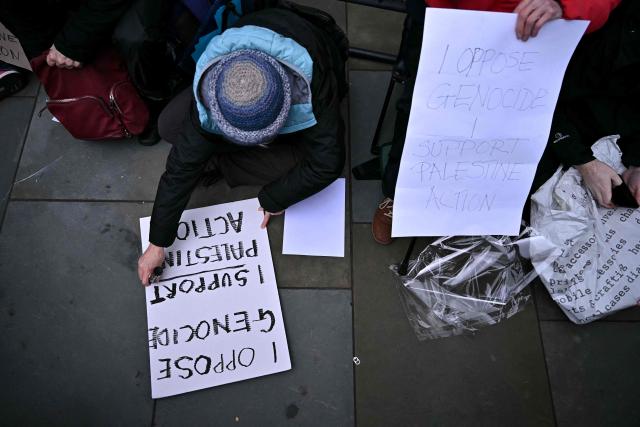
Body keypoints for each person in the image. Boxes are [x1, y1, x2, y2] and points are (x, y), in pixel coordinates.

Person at [371, 0, 624, 245]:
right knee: (423, 108)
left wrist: (568, 4)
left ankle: (489, 208)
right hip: (451, 13)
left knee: (518, 120)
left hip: (545, 29)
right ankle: (400, 196)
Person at [137, 5, 348, 285]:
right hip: (240, 87)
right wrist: (157, 242)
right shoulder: (212, 88)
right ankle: (217, 158)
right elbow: (179, 169)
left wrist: (274, 199)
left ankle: (218, 160)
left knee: (297, 165)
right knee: (169, 126)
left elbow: (328, 162)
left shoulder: (315, 87)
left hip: (313, 64)